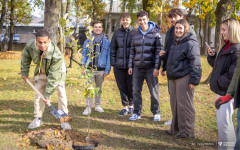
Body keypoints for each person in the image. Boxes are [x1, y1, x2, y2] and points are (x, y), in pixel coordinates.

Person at [160, 19, 202, 139]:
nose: (178, 30)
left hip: (184, 77)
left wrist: (194, 80)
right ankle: (175, 128)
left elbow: (196, 62)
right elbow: (172, 58)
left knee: (185, 105)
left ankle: (188, 132)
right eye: (176, 28)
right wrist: (164, 61)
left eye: (180, 28)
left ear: (185, 29)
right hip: (173, 77)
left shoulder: (190, 42)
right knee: (175, 104)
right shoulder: (175, 42)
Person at [21, 29, 71, 129]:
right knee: (38, 92)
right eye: (40, 42)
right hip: (41, 67)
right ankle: (37, 118)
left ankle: (64, 120)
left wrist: (48, 95)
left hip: (57, 70)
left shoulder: (56, 54)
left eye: (45, 42)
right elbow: (26, 57)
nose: (42, 45)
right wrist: (24, 72)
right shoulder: (30, 45)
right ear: (36, 40)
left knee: (61, 92)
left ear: (49, 41)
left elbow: (53, 76)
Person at [208, 18, 240, 150]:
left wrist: (218, 81)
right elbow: (218, 67)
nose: (221, 32)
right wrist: (212, 57)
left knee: (224, 125)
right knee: (224, 124)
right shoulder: (226, 46)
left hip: (227, 93)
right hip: (222, 91)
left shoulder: (236, 50)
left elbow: (232, 77)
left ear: (232, 30)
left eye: (223, 30)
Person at [162, 8, 196, 126]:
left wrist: (193, 76)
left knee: (184, 100)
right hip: (172, 69)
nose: (172, 20)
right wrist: (164, 66)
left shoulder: (189, 30)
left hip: (183, 71)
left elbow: (193, 53)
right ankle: (175, 119)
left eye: (174, 17)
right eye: (171, 17)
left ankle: (185, 125)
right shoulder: (170, 31)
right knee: (173, 97)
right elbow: (168, 49)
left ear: (181, 17)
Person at [128, 11, 162, 121]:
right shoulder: (135, 33)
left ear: (147, 19)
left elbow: (158, 52)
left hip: (151, 68)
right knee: (136, 91)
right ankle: (137, 112)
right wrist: (130, 66)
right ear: (137, 21)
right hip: (137, 67)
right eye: (140, 20)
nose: (142, 22)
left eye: (144, 19)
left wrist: (157, 67)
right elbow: (132, 51)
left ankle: (156, 112)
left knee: (153, 91)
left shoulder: (156, 33)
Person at [81, 20, 111, 115]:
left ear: (102, 29)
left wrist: (107, 69)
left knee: (99, 88)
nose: (97, 28)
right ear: (93, 29)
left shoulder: (106, 42)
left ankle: (97, 105)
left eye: (99, 27)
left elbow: (108, 56)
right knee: (89, 88)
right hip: (90, 69)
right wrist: (83, 66)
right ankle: (88, 107)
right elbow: (84, 54)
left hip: (101, 69)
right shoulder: (88, 41)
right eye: (95, 27)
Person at [110, 12, 136, 116]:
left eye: (127, 19)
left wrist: (134, 64)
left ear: (130, 21)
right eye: (123, 19)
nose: (125, 21)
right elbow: (113, 48)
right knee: (122, 87)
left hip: (131, 66)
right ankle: (125, 107)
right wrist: (113, 63)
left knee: (132, 86)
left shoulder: (135, 32)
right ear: (121, 21)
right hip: (119, 65)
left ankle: (131, 106)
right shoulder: (116, 33)